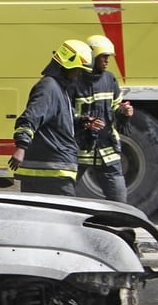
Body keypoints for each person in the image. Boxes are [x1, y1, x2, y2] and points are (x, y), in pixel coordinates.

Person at [8, 39, 94, 196]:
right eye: (78, 69)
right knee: (65, 216)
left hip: (55, 168)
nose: (79, 74)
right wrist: (21, 147)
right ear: (67, 65)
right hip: (51, 171)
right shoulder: (48, 87)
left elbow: (57, 120)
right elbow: (31, 117)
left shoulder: (59, 88)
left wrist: (79, 121)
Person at [72, 34, 133, 202]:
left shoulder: (110, 79)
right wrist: (85, 122)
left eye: (108, 57)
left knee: (119, 201)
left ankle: (118, 227)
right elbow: (66, 114)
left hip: (108, 151)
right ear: (92, 57)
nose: (107, 61)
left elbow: (114, 108)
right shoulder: (75, 81)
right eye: (103, 57)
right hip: (80, 151)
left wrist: (124, 112)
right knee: (65, 196)